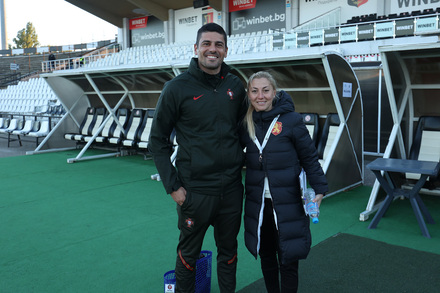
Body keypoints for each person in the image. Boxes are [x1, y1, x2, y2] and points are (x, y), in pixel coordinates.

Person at [148, 23, 247, 293]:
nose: (212, 49)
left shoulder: (236, 86)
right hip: (195, 191)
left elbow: (245, 129)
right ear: (196, 48)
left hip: (231, 189)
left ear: (226, 50)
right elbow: (157, 141)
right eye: (206, 44)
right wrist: (172, 187)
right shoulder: (176, 88)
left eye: (218, 44)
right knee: (188, 257)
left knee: (229, 253)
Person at [240, 71, 328, 293]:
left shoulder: (291, 120)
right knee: (267, 255)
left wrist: (320, 190)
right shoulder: (245, 122)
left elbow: (309, 157)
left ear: (274, 92)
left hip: (288, 201)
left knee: (288, 258)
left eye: (265, 90)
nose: (260, 96)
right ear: (249, 94)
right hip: (259, 204)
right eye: (254, 91)